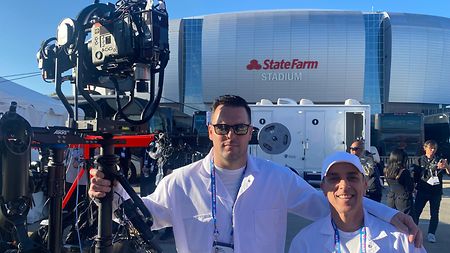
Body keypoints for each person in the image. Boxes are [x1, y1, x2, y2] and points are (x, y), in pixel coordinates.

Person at [89, 95, 421, 253]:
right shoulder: (181, 181)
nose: (230, 134)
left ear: (251, 132)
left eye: (239, 127)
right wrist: (107, 193)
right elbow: (143, 217)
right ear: (210, 131)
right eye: (222, 127)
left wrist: (390, 215)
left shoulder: (278, 179)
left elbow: (334, 204)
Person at [289, 152, 427, 253]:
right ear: (323, 187)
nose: (344, 185)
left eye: (352, 177)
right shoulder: (305, 242)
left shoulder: (401, 239)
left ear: (365, 184)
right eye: (334, 178)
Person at [412, 140, 450, 243]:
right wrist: (414, 188)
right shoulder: (419, 160)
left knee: (434, 213)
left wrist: (446, 166)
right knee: (416, 212)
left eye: (434, 148)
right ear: (425, 148)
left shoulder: (439, 160)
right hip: (422, 190)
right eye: (430, 148)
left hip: (436, 191)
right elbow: (415, 176)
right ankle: (414, 231)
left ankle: (431, 233)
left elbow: (449, 172)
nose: (432, 150)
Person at [384, 149, 415, 216]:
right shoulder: (404, 171)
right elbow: (410, 187)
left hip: (391, 196)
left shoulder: (386, 170)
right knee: (406, 220)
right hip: (403, 198)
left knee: (393, 219)